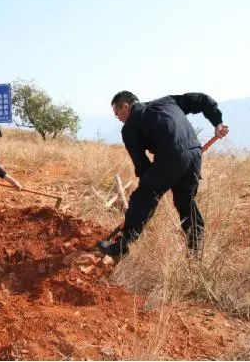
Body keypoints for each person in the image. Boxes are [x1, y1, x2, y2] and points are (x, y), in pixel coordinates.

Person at [97, 91, 229, 258]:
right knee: (185, 201)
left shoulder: (129, 127)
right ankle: (196, 251)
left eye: (118, 114)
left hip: (172, 155)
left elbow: (141, 163)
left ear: (126, 106)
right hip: (194, 154)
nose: (119, 119)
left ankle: (122, 245)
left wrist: (151, 189)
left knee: (142, 197)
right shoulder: (168, 102)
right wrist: (217, 121)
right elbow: (202, 100)